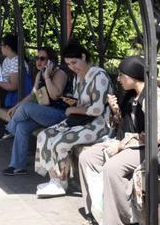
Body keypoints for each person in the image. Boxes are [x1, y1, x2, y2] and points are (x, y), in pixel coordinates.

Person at [77, 55, 160, 225]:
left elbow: (156, 135)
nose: (119, 79)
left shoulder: (153, 98)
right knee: (87, 157)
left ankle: (118, 223)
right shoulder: (130, 95)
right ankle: (96, 211)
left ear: (133, 76)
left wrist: (123, 145)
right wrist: (114, 110)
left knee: (112, 168)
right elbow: (121, 125)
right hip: (124, 142)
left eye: (122, 75)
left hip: (149, 148)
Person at [34, 40, 112, 197]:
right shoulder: (78, 77)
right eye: (69, 64)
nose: (72, 67)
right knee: (44, 135)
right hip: (80, 120)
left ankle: (61, 182)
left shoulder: (99, 76)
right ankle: (54, 179)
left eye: (74, 62)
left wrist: (73, 108)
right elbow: (80, 101)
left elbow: (96, 109)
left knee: (59, 141)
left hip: (98, 124)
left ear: (83, 56)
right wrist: (73, 102)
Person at [0, 47, 70, 175]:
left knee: (27, 108)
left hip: (60, 116)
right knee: (21, 127)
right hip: (44, 113)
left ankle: (9, 129)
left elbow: (55, 95)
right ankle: (17, 166)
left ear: (51, 62)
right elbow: (32, 96)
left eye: (43, 59)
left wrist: (47, 77)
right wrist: (16, 107)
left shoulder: (60, 74)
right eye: (37, 58)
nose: (39, 61)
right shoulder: (39, 74)